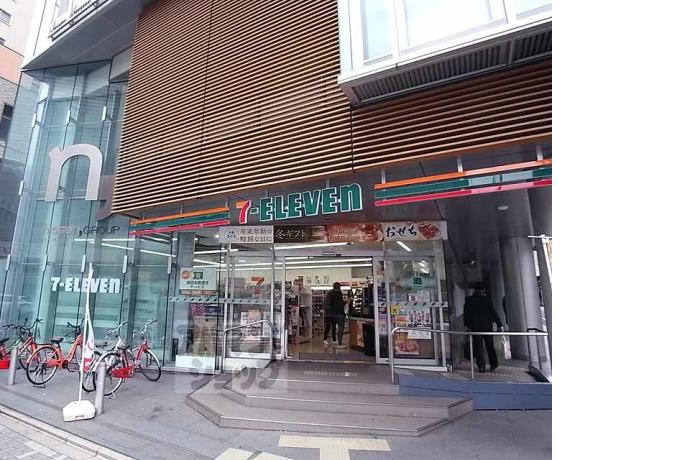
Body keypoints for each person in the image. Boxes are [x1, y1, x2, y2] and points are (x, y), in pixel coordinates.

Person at [463, 282, 503, 372]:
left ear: (474, 290)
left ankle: (481, 366)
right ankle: (493, 364)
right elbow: (494, 313)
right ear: (483, 290)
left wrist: (467, 325)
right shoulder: (487, 300)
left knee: (478, 347)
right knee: (490, 346)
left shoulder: (469, 300)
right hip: (487, 327)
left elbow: (466, 314)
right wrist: (500, 324)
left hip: (475, 327)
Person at [324, 282, 347, 348]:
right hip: (338, 313)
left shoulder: (329, 293)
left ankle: (332, 340)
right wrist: (346, 301)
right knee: (340, 328)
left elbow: (327, 304)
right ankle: (339, 343)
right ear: (339, 287)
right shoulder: (339, 293)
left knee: (329, 327)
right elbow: (339, 304)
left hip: (330, 313)